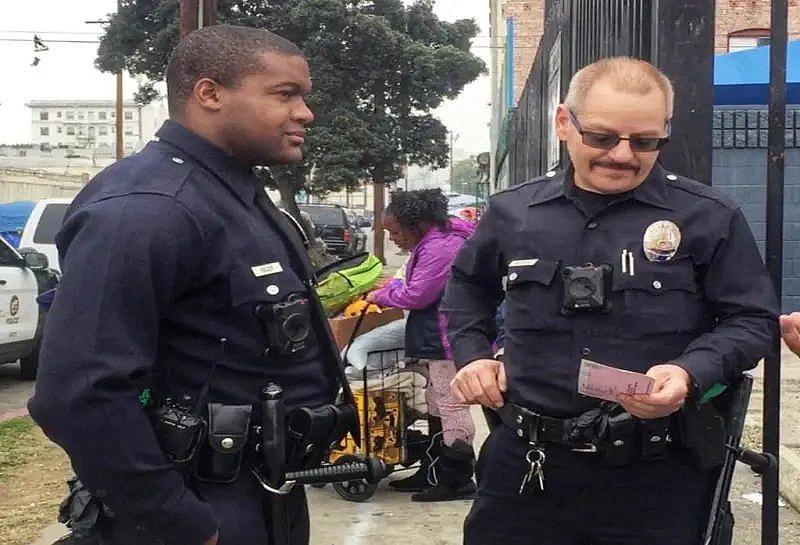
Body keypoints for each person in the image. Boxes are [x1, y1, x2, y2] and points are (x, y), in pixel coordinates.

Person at [28, 25, 346, 545]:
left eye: (303, 97)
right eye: (285, 95)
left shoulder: (235, 197)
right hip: (196, 506)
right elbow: (79, 391)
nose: (304, 113)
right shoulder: (151, 206)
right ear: (210, 93)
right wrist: (176, 521)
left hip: (263, 492)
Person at [442, 56, 779, 544]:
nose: (622, 155)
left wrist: (689, 372)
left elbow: (752, 320)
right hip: (527, 471)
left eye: (644, 142)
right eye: (601, 137)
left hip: (656, 477)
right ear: (564, 122)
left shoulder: (708, 217)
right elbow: (467, 288)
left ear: (665, 131)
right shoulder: (513, 212)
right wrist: (472, 356)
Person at [366, 188, 478, 502]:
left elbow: (418, 294)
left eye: (395, 231)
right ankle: (431, 471)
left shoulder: (443, 246)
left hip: (446, 337)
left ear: (415, 224)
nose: (393, 238)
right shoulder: (432, 242)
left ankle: (456, 479)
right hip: (435, 335)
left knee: (451, 404)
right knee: (435, 403)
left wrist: (381, 296)